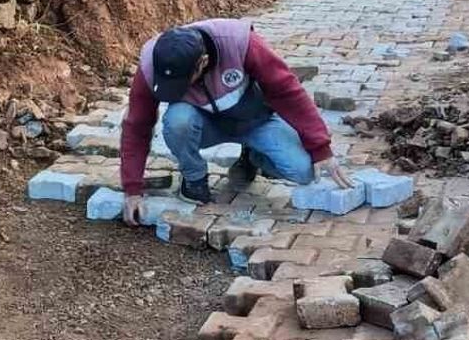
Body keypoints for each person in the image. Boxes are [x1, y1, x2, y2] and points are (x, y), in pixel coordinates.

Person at [118, 19, 354, 226]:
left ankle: (253, 157)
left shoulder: (241, 43)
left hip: (255, 122)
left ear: (203, 62)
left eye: (182, 83)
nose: (177, 89)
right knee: (177, 120)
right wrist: (132, 189)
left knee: (304, 171)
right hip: (204, 125)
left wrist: (321, 148)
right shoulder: (152, 65)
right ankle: (194, 180)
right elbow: (137, 125)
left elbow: (287, 91)